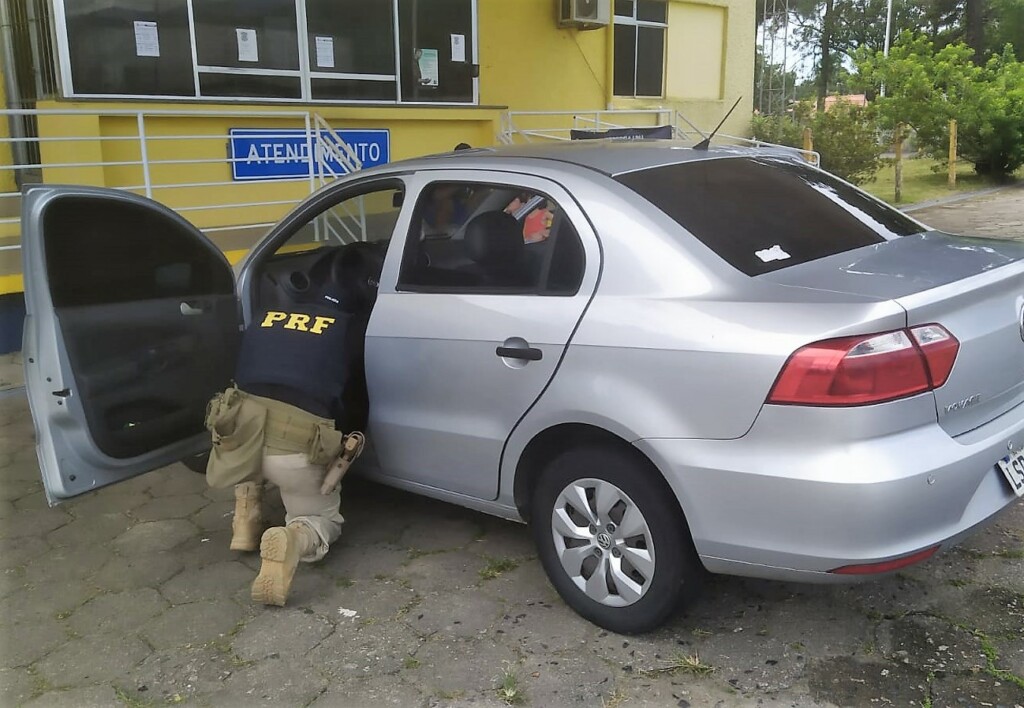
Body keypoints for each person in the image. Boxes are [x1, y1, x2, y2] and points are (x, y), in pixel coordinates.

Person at [204, 245, 377, 606]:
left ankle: (246, 522)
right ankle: (294, 537)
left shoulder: (266, 315)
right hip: (293, 451)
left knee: (253, 422)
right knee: (319, 516)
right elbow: (354, 405)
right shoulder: (348, 330)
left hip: (237, 439)